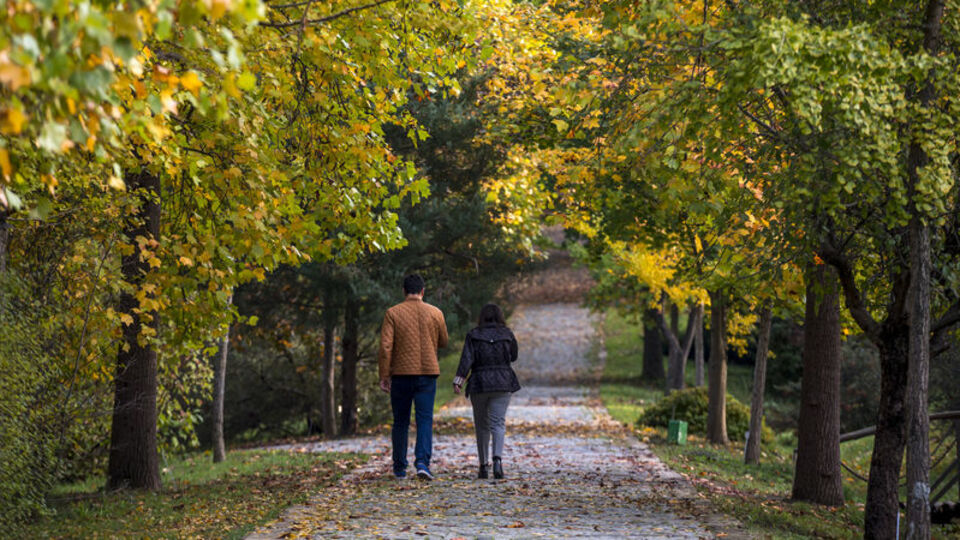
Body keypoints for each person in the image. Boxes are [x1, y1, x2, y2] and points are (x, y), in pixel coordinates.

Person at [378, 274, 448, 481]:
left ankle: (400, 467)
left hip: (401, 374)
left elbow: (386, 346)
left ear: (404, 291)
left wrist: (384, 374)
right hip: (427, 372)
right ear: (423, 291)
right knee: (424, 419)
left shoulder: (392, 313)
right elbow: (444, 341)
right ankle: (422, 463)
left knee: (401, 421)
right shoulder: (435, 312)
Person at [453, 303, 521, 480]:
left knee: (481, 425)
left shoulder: (473, 335)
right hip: (502, 382)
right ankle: (497, 461)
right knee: (498, 423)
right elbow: (514, 356)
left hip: (480, 383)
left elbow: (467, 359)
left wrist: (459, 380)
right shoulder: (507, 334)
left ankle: (483, 466)